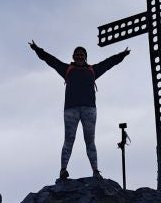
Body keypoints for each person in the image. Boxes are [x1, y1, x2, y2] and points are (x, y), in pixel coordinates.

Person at [29, 40, 130, 181]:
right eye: (77, 54)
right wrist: (37, 49)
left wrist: (122, 55)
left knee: (90, 141)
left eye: (82, 54)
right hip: (71, 110)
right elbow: (50, 60)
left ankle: (95, 171)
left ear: (85, 57)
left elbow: (108, 63)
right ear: (73, 56)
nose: (79, 56)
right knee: (69, 140)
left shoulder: (93, 70)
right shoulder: (66, 69)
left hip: (88, 109)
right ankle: (63, 170)